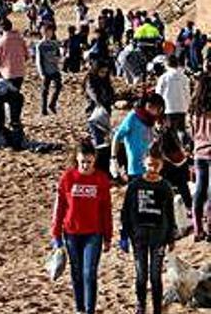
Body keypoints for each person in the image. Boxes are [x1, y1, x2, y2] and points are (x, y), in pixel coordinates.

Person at [50, 142, 113, 314]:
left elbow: (106, 210)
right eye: (82, 162)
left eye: (89, 162)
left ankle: (90, 310)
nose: (85, 166)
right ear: (77, 160)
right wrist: (56, 235)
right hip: (71, 233)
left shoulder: (101, 179)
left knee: (89, 273)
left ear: (94, 161)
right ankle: (80, 309)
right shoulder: (67, 178)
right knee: (76, 273)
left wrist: (108, 236)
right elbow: (60, 208)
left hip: (94, 234)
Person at [120, 148, 176, 314]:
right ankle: (141, 305)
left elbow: (170, 213)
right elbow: (125, 211)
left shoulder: (165, 186)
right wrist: (124, 235)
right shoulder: (135, 185)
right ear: (144, 163)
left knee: (155, 276)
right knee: (141, 274)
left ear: (161, 165)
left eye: (156, 166)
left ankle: (157, 308)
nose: (152, 169)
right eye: (150, 165)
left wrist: (171, 237)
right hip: (139, 237)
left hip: (159, 237)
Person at [113, 94, 165, 182]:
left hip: (152, 167)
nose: (156, 111)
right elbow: (117, 136)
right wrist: (113, 158)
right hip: (135, 168)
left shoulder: (152, 121)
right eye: (151, 107)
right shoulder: (133, 117)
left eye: (158, 109)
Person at [191, 72, 211, 240]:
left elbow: (192, 133)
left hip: (199, 152)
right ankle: (210, 227)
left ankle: (198, 229)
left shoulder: (194, 110)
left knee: (199, 191)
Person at [155, 55, 190, 135]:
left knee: (169, 132)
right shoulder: (184, 77)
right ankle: (183, 145)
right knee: (181, 130)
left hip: (168, 108)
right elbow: (187, 93)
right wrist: (187, 107)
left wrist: (158, 110)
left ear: (166, 64)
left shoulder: (163, 78)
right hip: (182, 108)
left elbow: (158, 94)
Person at [0, 18, 29, 90]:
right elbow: (27, 56)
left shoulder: (0, 42)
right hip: (20, 72)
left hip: (6, 73)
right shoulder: (20, 39)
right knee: (16, 92)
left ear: (1, 28)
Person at [35, 23, 62, 115]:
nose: (48, 33)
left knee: (58, 87)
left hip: (55, 69)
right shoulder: (40, 45)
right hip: (46, 71)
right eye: (46, 31)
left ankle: (52, 104)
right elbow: (38, 60)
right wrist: (41, 73)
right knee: (44, 91)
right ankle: (43, 109)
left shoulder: (54, 44)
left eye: (50, 31)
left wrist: (57, 60)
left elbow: (59, 55)